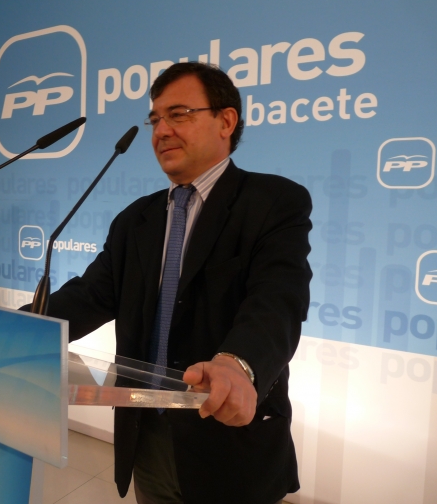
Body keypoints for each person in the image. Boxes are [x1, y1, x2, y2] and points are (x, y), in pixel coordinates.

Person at [41, 62, 312, 504]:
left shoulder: (273, 202)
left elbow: (277, 300)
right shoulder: (135, 219)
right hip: (145, 434)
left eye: (178, 114)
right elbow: (89, 297)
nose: (161, 130)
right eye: (155, 119)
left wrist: (237, 364)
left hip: (227, 441)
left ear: (226, 121)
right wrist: (13, 331)